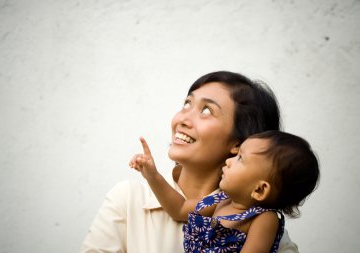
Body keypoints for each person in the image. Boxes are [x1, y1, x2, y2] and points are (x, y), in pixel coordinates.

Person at [80, 71, 300, 253]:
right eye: (187, 104)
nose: (182, 119)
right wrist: (152, 174)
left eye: (207, 110)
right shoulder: (127, 199)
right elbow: (179, 208)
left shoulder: (263, 224)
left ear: (238, 143)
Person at [130, 130, 320, 252]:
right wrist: (152, 176)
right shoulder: (221, 200)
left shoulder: (264, 219)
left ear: (260, 189)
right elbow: (179, 209)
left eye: (240, 159)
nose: (229, 160)